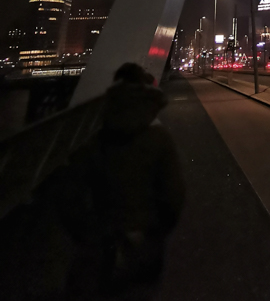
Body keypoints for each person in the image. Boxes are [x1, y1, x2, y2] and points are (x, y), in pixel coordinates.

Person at [67, 63, 185, 298]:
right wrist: (158, 229)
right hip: (146, 238)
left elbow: (70, 195)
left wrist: (89, 235)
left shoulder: (93, 139)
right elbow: (174, 194)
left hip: (103, 243)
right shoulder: (160, 138)